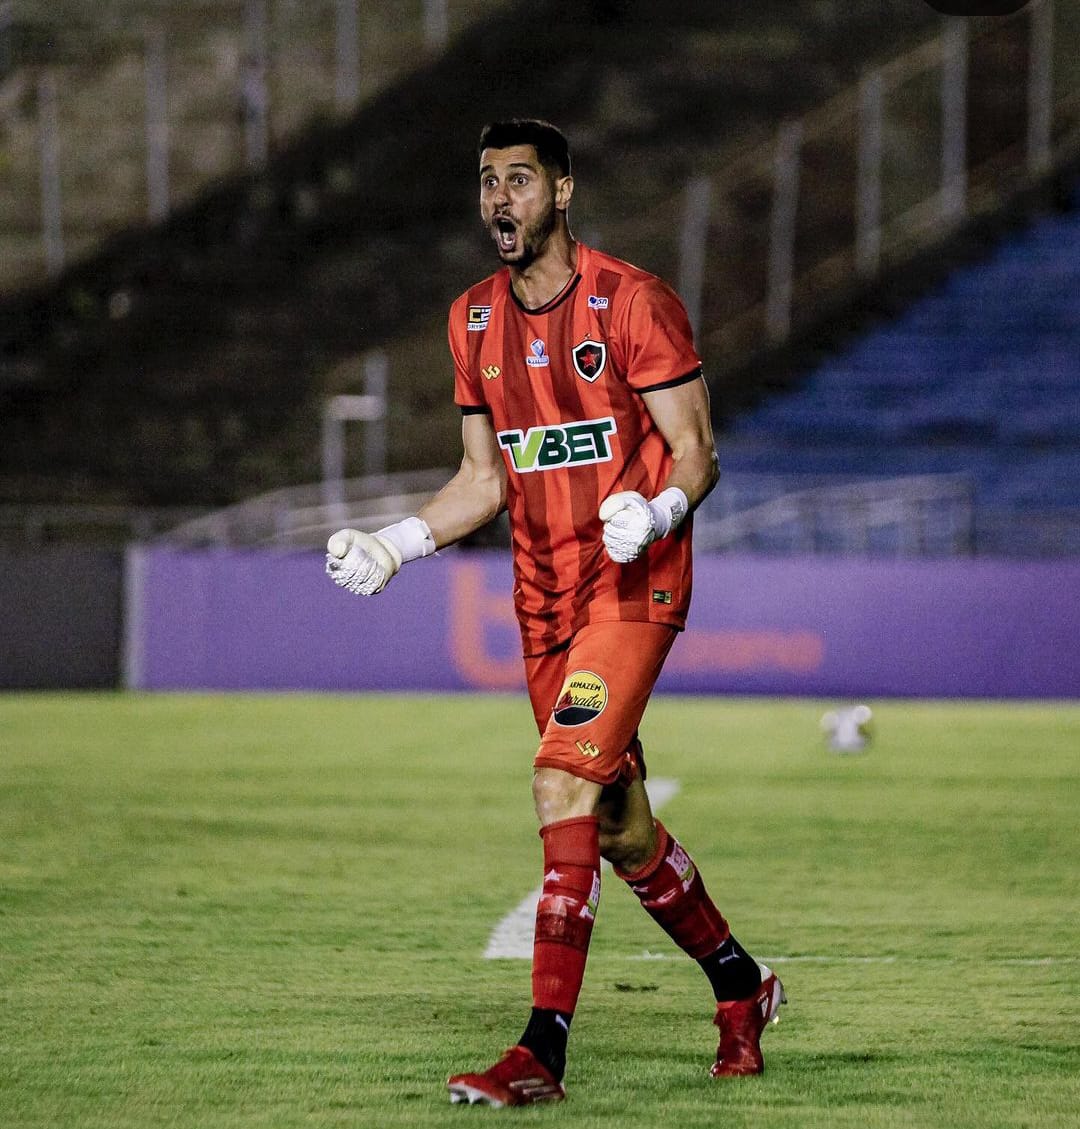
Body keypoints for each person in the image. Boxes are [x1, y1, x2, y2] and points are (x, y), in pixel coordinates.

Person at [325, 118, 785, 1107]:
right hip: (541, 603)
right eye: (487, 181)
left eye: (521, 181)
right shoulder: (472, 322)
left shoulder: (634, 304)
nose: (500, 199)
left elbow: (698, 451)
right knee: (618, 826)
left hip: (631, 588)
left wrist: (657, 508)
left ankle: (542, 1050)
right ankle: (742, 986)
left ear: (563, 191)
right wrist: (396, 543)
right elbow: (481, 478)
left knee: (558, 784)